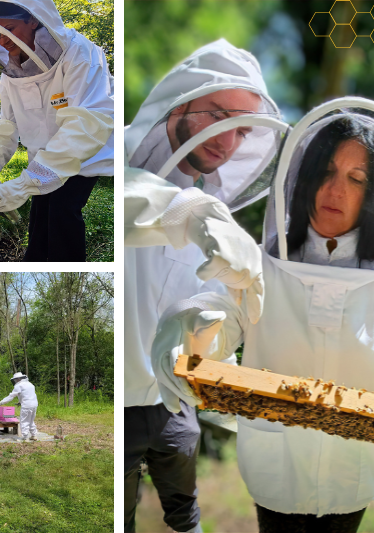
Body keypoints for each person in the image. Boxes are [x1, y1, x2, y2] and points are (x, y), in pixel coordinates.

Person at [151, 98, 374, 533]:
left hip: (355, 473)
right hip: (274, 469)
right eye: (325, 172)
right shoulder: (260, 266)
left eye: (356, 178)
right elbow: (222, 317)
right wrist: (192, 321)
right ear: (304, 180)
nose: (336, 190)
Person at [124, 39, 288, 533]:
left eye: (240, 129)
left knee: (186, 515)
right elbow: (131, 197)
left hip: (172, 403)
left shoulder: (210, 216)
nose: (227, 139)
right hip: (117, 406)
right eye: (217, 115)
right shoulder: (120, 161)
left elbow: (207, 310)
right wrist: (192, 214)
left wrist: (215, 331)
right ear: (181, 103)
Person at [0, 0, 114, 261]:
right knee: (41, 214)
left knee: (62, 211)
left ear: (34, 19)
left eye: (9, 29)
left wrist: (24, 184)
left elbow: (87, 123)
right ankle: (35, 258)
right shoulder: (10, 74)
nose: (4, 41)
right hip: (41, 158)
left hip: (83, 155)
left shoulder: (81, 54)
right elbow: (7, 127)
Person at [0, 371, 38, 441]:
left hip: (26, 406)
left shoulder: (19, 385)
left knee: (24, 421)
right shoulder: (30, 384)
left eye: (15, 380)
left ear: (18, 379)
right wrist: (20, 402)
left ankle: (25, 437)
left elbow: (11, 396)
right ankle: (34, 435)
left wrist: (1, 402)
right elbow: (28, 395)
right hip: (34, 405)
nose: (15, 381)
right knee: (31, 420)